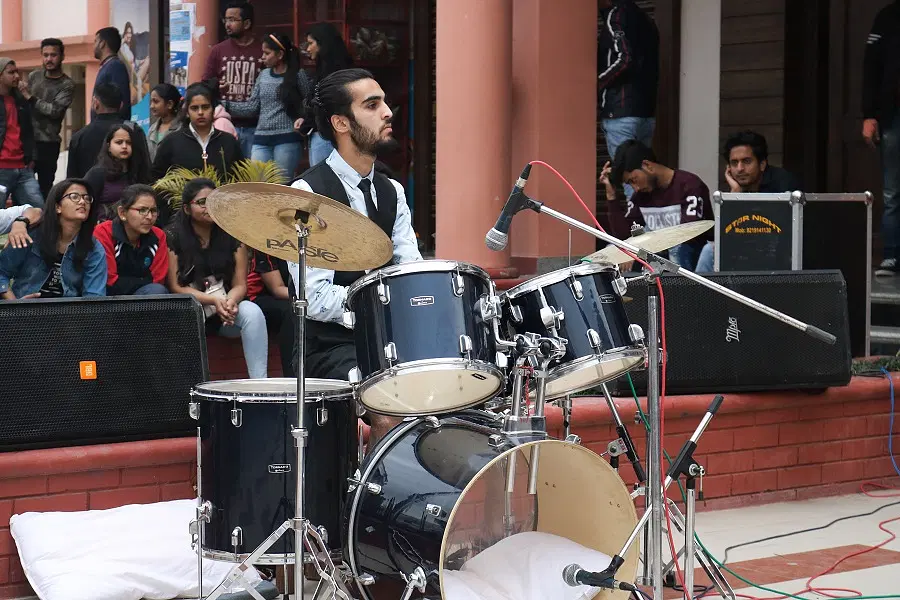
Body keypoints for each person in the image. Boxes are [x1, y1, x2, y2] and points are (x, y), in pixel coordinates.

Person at [287, 68, 422, 446]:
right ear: (341, 123)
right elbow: (314, 296)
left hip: (389, 339)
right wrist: (378, 307)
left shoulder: (392, 190)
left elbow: (409, 270)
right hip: (330, 346)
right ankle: (381, 484)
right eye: (372, 105)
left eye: (384, 102)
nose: (388, 112)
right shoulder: (308, 193)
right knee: (389, 406)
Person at [167, 178, 268, 378]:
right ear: (187, 209)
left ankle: (260, 383)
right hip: (192, 310)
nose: (209, 207)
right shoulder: (173, 236)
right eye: (202, 202)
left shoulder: (232, 234)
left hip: (226, 310)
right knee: (183, 318)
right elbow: (175, 286)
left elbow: (240, 284)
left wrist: (228, 302)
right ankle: (192, 386)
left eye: (214, 201)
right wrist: (213, 300)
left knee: (253, 312)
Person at [694, 131, 802, 272]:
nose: (740, 169)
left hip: (777, 251)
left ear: (762, 164)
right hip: (747, 248)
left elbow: (778, 232)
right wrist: (735, 194)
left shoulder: (782, 183)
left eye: (746, 161)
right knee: (709, 251)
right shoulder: (736, 187)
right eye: (734, 163)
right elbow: (726, 234)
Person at [604, 139, 712, 270]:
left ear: (647, 166)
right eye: (630, 184)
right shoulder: (641, 196)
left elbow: (687, 233)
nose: (635, 188)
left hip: (687, 256)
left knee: (676, 248)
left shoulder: (689, 185)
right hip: (656, 257)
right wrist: (611, 196)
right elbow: (623, 235)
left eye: (634, 180)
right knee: (613, 250)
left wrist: (639, 249)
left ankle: (678, 283)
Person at [223, 33, 311, 180]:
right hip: (261, 139)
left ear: (280, 54)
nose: (262, 57)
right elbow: (252, 107)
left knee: (281, 184)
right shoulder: (263, 75)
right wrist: (225, 104)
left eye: (267, 53)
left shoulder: (297, 75)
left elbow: (309, 103)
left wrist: (303, 119)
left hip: (288, 139)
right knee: (258, 183)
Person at [0, 178, 106, 299]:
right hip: (26, 306)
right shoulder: (31, 236)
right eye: (74, 197)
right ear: (57, 207)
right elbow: (1, 272)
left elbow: (94, 296)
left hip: (69, 310)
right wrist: (16, 304)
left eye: (87, 198)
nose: (82, 201)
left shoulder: (93, 248)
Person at [598, 0, 660, 201]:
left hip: (620, 111)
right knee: (647, 180)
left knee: (632, 183)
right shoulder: (646, 19)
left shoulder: (615, 15)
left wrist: (598, 82)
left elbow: (624, 58)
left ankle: (638, 222)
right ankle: (651, 221)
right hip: (646, 112)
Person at [863, 3, 900, 276]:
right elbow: (871, 66)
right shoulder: (888, 16)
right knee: (892, 192)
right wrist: (869, 114)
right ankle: (892, 255)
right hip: (894, 114)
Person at [202, 1, 262, 158]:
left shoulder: (262, 50)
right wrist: (216, 86)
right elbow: (205, 84)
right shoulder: (218, 50)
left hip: (257, 127)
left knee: (254, 172)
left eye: (232, 20)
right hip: (225, 124)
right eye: (226, 19)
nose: (227, 24)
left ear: (247, 23)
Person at [152, 82, 244, 180]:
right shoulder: (171, 142)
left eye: (205, 107)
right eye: (194, 108)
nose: (200, 112)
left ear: (213, 109)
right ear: (187, 112)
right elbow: (156, 179)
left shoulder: (229, 142)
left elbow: (241, 179)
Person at [20, 38, 75, 198]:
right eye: (45, 55)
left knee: (45, 189)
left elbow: (54, 111)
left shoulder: (67, 84)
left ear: (62, 56)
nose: (49, 59)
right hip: (28, 141)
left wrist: (30, 97)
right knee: (22, 188)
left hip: (48, 143)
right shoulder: (34, 76)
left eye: (53, 55)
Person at [94, 184, 168, 296]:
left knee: (157, 290)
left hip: (143, 296)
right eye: (142, 210)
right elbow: (109, 280)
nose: (149, 217)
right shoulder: (104, 232)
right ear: (122, 213)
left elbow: (157, 280)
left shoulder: (159, 236)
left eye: (153, 210)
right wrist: (143, 281)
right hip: (107, 298)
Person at [67, 83, 149, 179]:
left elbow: (71, 179)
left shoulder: (79, 137)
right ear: (121, 105)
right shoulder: (134, 131)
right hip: (129, 188)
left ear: (96, 103)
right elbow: (145, 170)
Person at [304, 22, 354, 165]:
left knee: (323, 177)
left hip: (327, 134)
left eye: (310, 43)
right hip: (332, 132)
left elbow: (325, 104)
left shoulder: (333, 75)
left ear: (322, 44)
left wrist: (308, 118)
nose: (308, 49)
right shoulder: (326, 70)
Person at [84, 123, 153, 221]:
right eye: (119, 142)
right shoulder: (97, 173)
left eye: (128, 143)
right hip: (105, 227)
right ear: (108, 146)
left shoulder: (137, 173)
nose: (124, 146)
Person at [0, 58, 43, 210]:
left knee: (38, 211)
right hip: (2, 167)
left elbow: (30, 130)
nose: (17, 76)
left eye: (16, 72)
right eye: (11, 72)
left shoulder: (20, 99)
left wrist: (32, 157)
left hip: (23, 167)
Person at [247, 250, 295, 376]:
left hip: (300, 295)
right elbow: (277, 289)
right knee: (292, 311)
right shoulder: (269, 246)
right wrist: (309, 297)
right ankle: (292, 377)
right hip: (262, 297)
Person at [92, 27, 131, 121]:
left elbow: (122, 103)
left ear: (102, 43)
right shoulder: (107, 66)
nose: (93, 46)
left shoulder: (115, 66)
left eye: (95, 41)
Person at [147, 83, 181, 161]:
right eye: (151, 102)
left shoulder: (181, 129)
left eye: (156, 102)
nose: (151, 106)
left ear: (169, 104)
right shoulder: (152, 129)